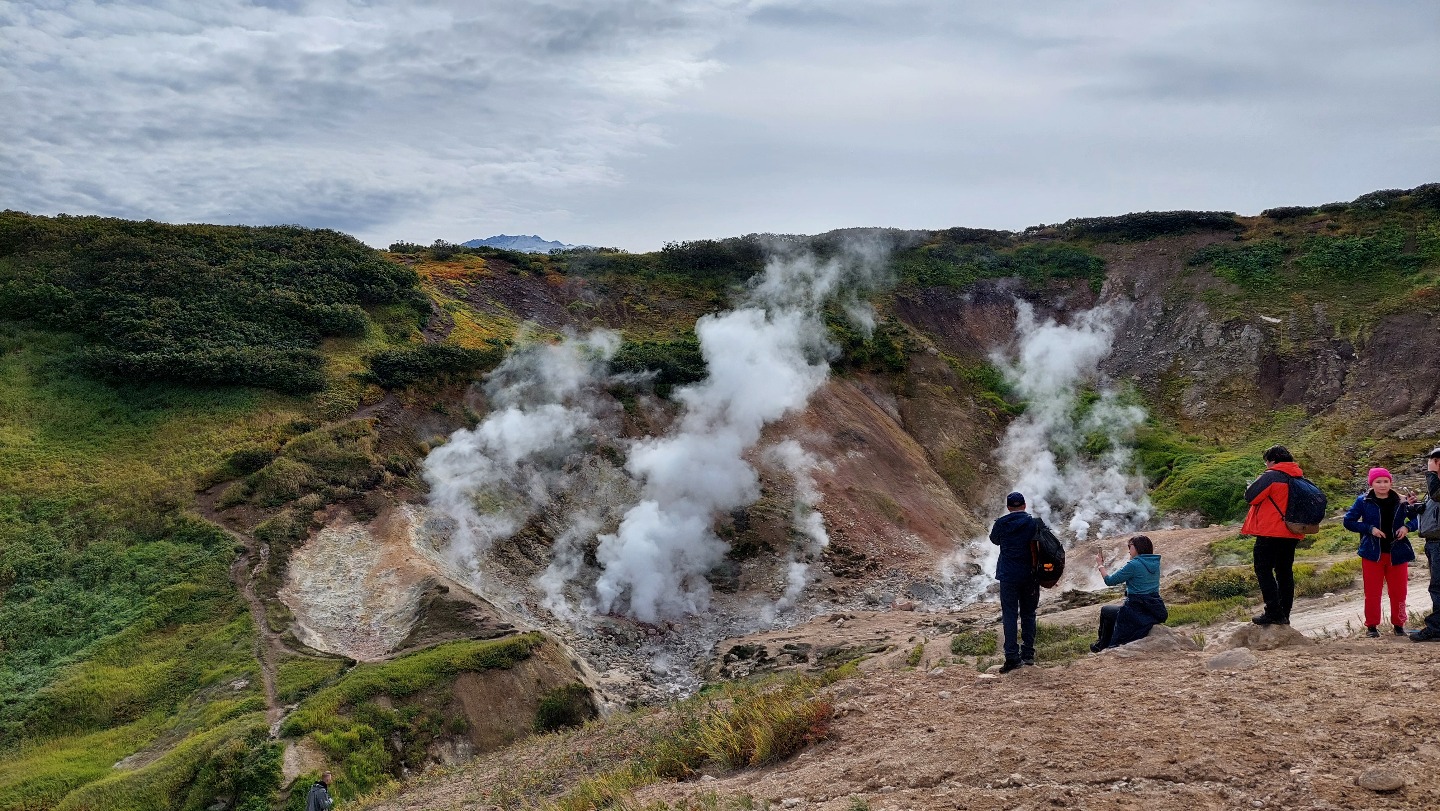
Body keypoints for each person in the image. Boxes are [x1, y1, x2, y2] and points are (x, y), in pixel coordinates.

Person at [1343, 467, 1416, 637]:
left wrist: (1407, 527)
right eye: (1378, 481)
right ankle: (1372, 627)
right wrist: (1370, 528)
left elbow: (1417, 519)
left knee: (1399, 591)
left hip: (1397, 553)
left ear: (1391, 482)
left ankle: (1399, 625)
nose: (1382, 485)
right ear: (1371, 483)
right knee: (1372, 592)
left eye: (1386, 481)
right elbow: (1349, 521)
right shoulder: (1363, 501)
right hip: (1372, 552)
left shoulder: (1402, 501)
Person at [1241, 445, 1307, 625]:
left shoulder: (1270, 476)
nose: (1267, 465)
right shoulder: (1299, 476)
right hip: (1292, 532)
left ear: (1272, 461)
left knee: (1263, 570)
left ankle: (1273, 612)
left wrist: (1252, 484)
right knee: (1284, 572)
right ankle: (1284, 613)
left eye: (1267, 462)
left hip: (1270, 532)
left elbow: (1250, 497)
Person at [989, 491, 1040, 673]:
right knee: (1029, 614)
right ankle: (1028, 655)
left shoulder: (1002, 523)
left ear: (1009, 507)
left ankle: (1012, 657)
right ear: (1025, 505)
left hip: (1008, 576)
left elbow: (994, 540)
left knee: (1010, 615)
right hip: (1030, 576)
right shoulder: (1034, 523)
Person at [1090, 535, 1167, 651]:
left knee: (1106, 611)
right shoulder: (1155, 563)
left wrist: (1100, 565)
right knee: (1113, 612)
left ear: (1137, 548)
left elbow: (1110, 581)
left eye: (1130, 547)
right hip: (1153, 609)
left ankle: (1102, 646)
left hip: (1136, 610)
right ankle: (1103, 644)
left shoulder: (1133, 565)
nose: (1129, 550)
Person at [1412, 448, 1440, 642]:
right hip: (1434, 542)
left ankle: (1436, 628)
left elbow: (1437, 495)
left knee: (1438, 586)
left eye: (1433, 461)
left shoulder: (1436, 485)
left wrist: (1431, 472)